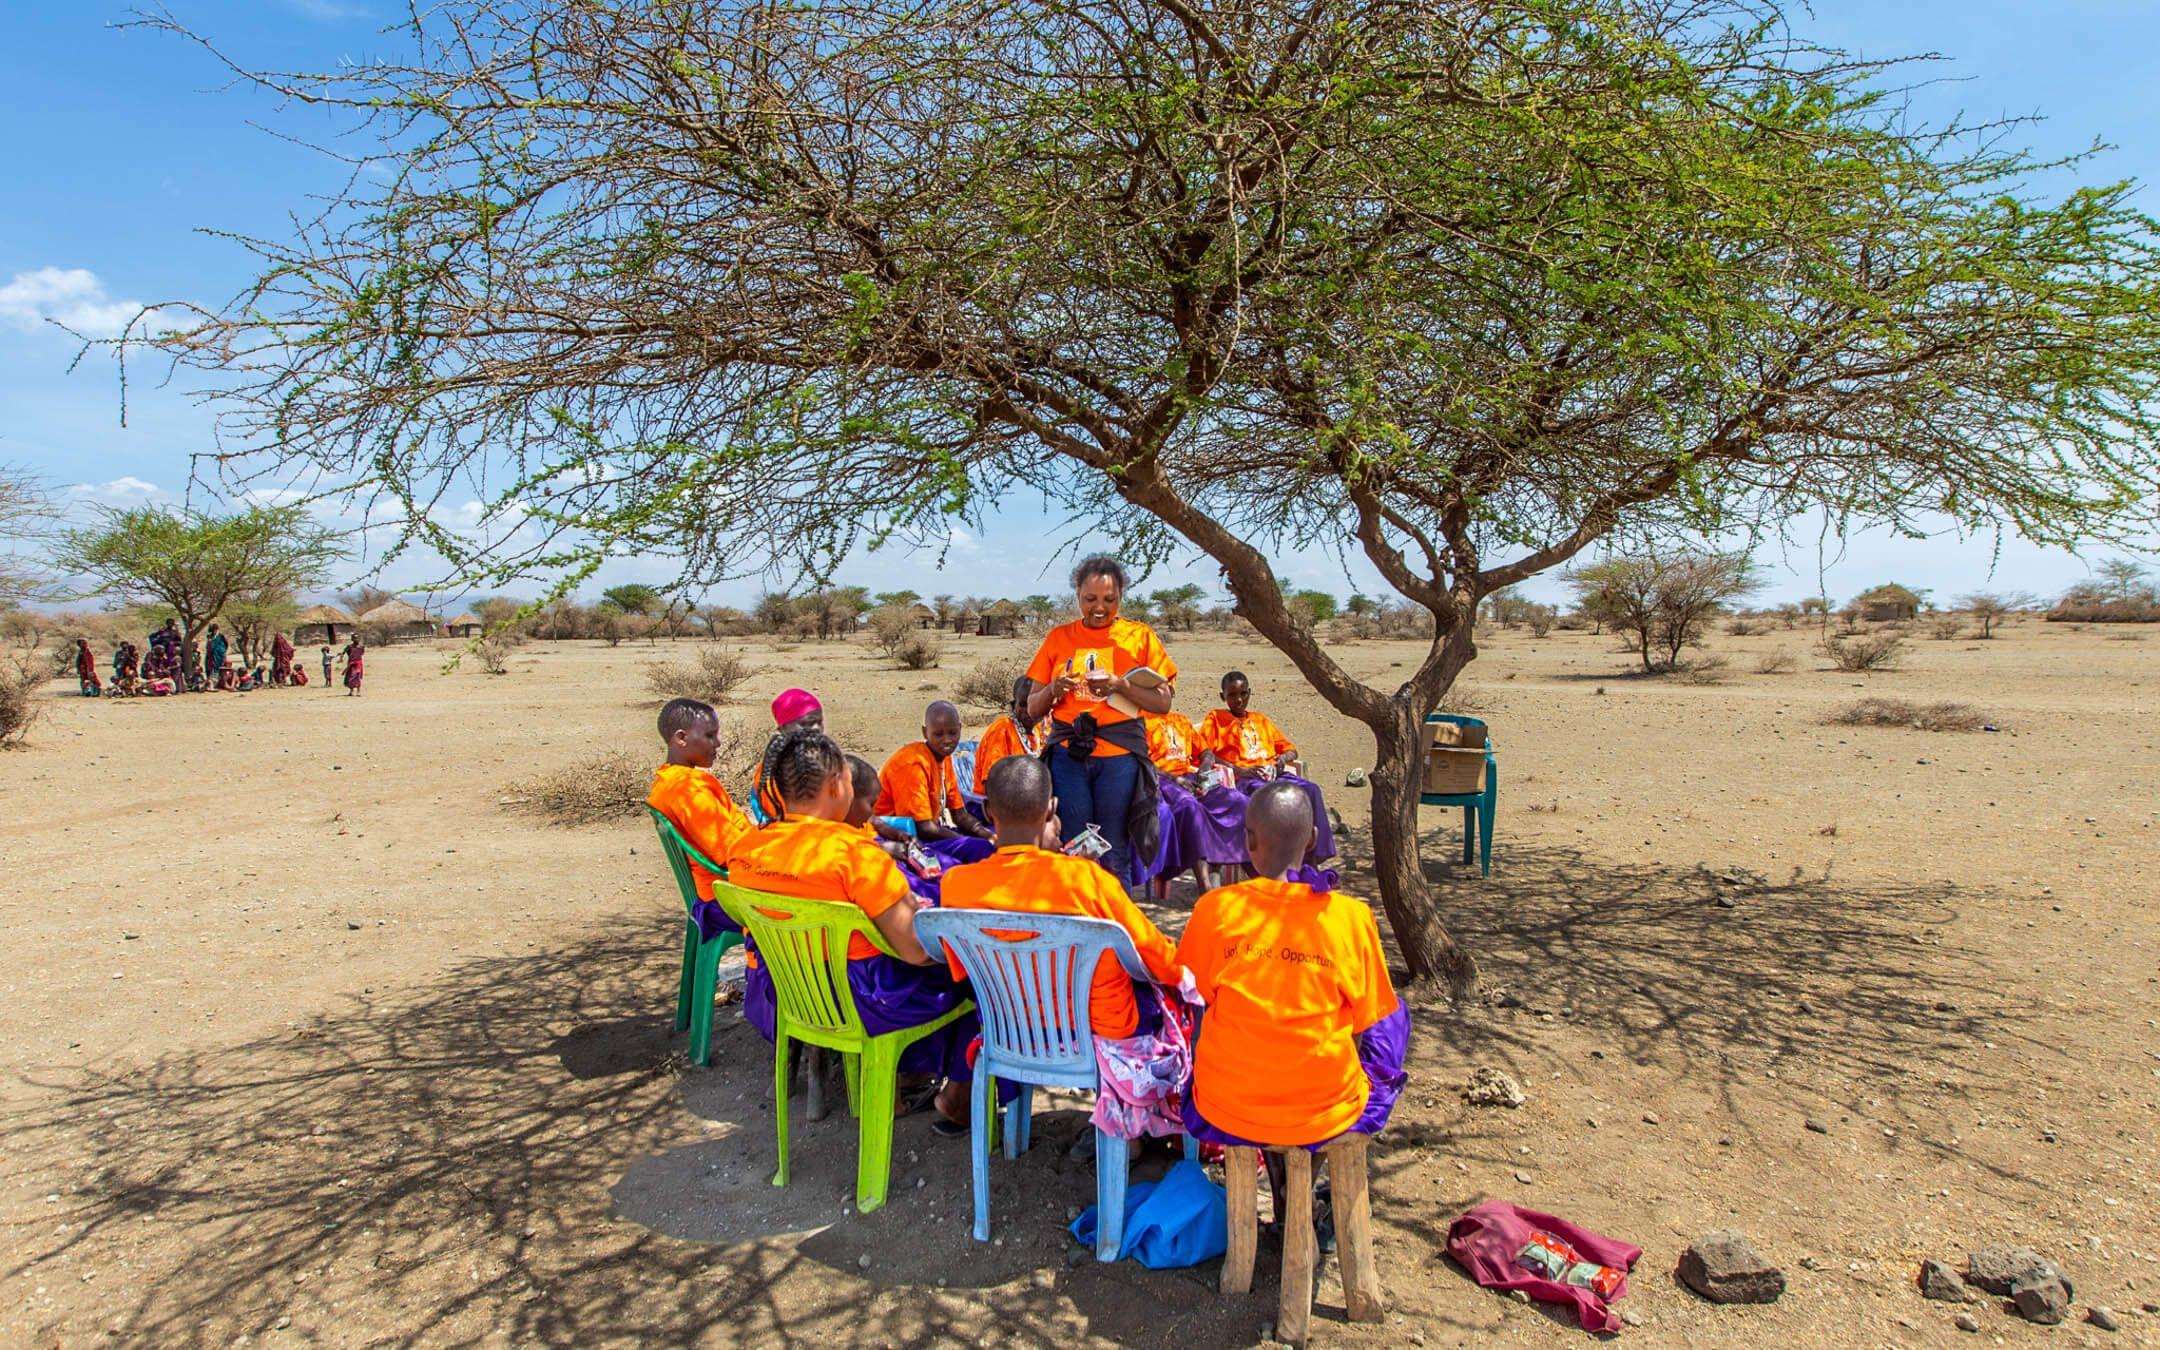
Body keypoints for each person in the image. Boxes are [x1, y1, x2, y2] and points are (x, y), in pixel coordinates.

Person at [726, 727, 979, 1130]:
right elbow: (914, 950)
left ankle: (903, 1075)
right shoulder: (854, 855)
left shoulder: (745, 850)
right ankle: (954, 1096)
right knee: (976, 982)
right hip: (866, 1000)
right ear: (834, 786)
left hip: (789, 997)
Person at [1176, 781, 1408, 1152]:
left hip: (1225, 1105)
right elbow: (1362, 1026)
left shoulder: (1214, 909)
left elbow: (1192, 997)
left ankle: (1281, 1167)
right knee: (1393, 1015)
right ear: (1313, 839)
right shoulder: (1350, 917)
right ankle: (1309, 1163)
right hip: (1325, 1111)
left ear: (1249, 841)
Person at [941, 756, 1184, 1039]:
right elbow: (1159, 958)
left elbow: (959, 970)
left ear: (986, 810)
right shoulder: (1086, 879)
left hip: (1009, 1031)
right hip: (1096, 1032)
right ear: (1050, 809)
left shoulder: (955, 885)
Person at [1023, 556, 1178, 885]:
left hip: (1119, 758)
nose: (1099, 608)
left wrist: (1120, 685)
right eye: (1090, 599)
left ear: (1122, 595)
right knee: (1075, 844)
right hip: (1068, 756)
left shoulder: (1140, 636)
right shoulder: (1058, 638)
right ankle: (1079, 922)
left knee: (1113, 847)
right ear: (1077, 595)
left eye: (1110, 599)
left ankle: (1115, 926)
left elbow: (1163, 703)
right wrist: (1053, 689)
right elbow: (1032, 708)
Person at [1196, 671, 1338, 864]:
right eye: (1232, 695)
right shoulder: (1215, 719)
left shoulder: (1261, 720)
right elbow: (1204, 753)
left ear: (1249, 693)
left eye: (1243, 693)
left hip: (1273, 775)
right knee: (1273, 802)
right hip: (1246, 780)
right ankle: (1277, 862)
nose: (1239, 700)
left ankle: (1313, 859)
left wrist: (1280, 762)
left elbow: (1291, 751)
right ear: (1223, 696)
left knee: (1311, 790)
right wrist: (1240, 770)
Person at [646, 697, 755, 930]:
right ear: (681, 738)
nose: (717, 743)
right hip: (724, 899)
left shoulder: (671, 780)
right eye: (709, 736)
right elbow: (728, 853)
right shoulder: (688, 790)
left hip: (718, 891)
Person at [874, 701, 994, 864]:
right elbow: (924, 829)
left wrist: (989, 835)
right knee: (981, 849)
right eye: (938, 734)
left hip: (930, 830)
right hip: (903, 838)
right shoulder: (912, 764)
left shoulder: (944, 759)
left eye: (952, 733)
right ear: (925, 732)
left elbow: (960, 815)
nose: (947, 740)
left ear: (960, 728)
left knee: (992, 836)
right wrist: (965, 841)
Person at [1144, 709, 1239, 898]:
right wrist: (1175, 779)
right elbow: (1143, 763)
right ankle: (1205, 886)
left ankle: (1253, 878)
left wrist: (1203, 770)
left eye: (1169, 688)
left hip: (1191, 777)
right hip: (1163, 780)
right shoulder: (1141, 721)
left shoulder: (1181, 719)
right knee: (1190, 806)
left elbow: (1206, 752)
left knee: (1239, 803)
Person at [970, 676, 1043, 799]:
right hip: (995, 804)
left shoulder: (1039, 730)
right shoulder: (1002, 729)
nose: (1028, 711)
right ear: (1014, 705)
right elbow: (992, 781)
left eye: (1033, 704)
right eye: (1023, 705)